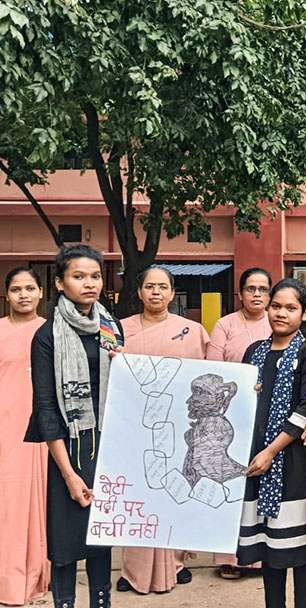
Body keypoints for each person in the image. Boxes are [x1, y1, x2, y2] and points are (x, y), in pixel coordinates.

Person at [24, 245, 124, 608]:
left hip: (108, 448)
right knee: (65, 543)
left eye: (95, 276)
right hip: (68, 450)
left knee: (101, 536)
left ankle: (102, 602)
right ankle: (64, 602)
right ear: (60, 282)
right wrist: (68, 474)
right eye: (78, 277)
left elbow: (128, 391)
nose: (89, 283)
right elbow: (46, 409)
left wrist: (126, 366)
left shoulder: (111, 328)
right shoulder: (47, 337)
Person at [238, 278, 306, 608]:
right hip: (256, 459)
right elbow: (238, 400)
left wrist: (271, 451)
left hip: (294, 463)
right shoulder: (253, 353)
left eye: (291, 308)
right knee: (267, 547)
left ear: (304, 313)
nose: (281, 313)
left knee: (301, 551)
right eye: (275, 306)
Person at [116, 267, 208, 594]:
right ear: (139, 292)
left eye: (163, 287)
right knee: (138, 495)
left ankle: (177, 562)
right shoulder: (120, 330)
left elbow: (205, 376)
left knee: (174, 490)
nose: (156, 292)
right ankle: (133, 570)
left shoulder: (192, 330)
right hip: (133, 426)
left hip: (178, 427)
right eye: (150, 286)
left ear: (172, 293)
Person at [207, 267, 272, 579]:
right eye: (250, 288)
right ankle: (230, 556)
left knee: (264, 484)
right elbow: (213, 370)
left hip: (272, 417)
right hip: (231, 417)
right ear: (240, 293)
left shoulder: (278, 321)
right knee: (230, 483)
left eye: (262, 289)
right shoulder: (225, 325)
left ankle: (263, 554)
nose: (256, 294)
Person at [0, 268, 49, 605]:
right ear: (7, 295)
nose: (23, 295)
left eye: (30, 288)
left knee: (43, 501)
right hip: (5, 426)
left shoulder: (53, 332)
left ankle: (37, 575)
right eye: (16, 289)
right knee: (8, 503)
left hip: (45, 429)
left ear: (42, 292)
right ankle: (8, 578)